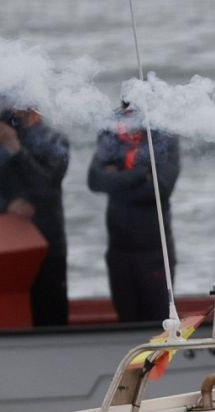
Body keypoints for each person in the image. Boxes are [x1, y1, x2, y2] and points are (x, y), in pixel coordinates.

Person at [0, 97, 71, 326]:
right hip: (5, 246)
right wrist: (5, 206)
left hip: (47, 243)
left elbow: (47, 187)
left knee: (50, 310)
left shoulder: (54, 141)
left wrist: (17, 152)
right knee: (7, 311)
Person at [88, 101, 181, 322]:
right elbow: (94, 180)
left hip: (153, 252)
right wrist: (140, 174)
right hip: (119, 251)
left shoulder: (164, 139)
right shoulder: (111, 137)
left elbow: (160, 189)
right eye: (126, 109)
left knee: (158, 321)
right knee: (127, 319)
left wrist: (117, 180)